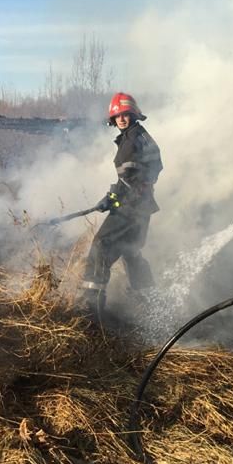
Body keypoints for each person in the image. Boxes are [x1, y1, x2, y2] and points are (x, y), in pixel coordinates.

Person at [80, 92, 163, 316]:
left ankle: (92, 307)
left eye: (125, 115)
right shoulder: (141, 136)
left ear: (133, 115)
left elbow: (130, 178)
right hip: (141, 204)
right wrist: (114, 194)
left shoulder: (131, 140)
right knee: (131, 250)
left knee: (101, 246)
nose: (122, 119)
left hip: (132, 206)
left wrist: (114, 196)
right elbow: (141, 175)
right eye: (118, 116)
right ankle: (152, 306)